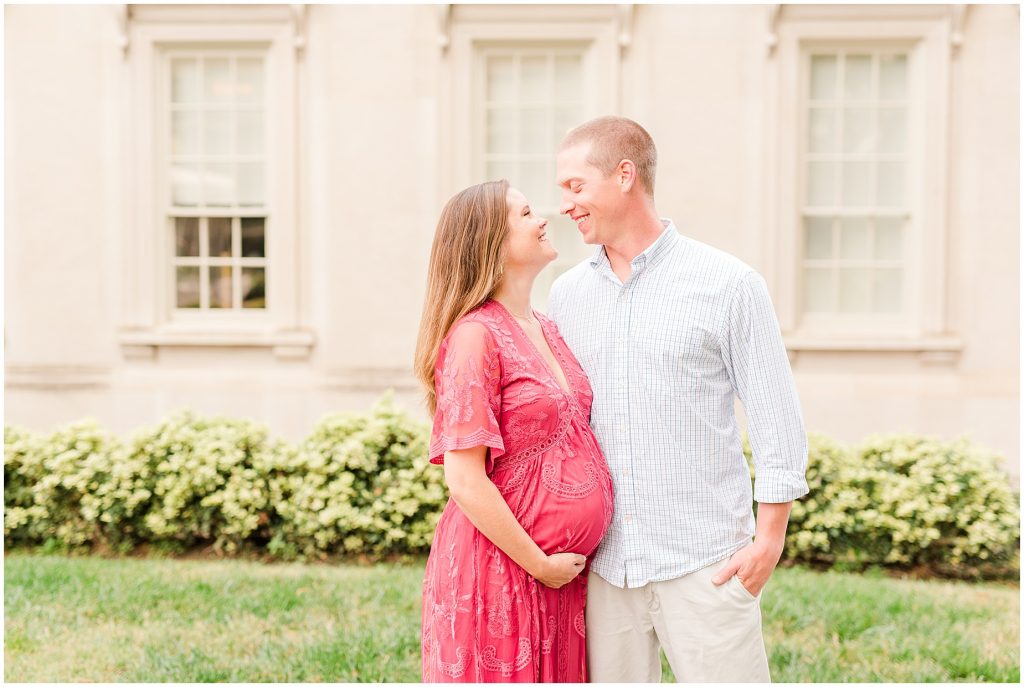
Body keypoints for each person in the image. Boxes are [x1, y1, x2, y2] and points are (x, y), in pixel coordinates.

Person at [547, 116, 809, 682]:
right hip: (605, 569)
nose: (564, 204)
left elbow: (775, 416)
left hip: (707, 561)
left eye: (574, 186)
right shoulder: (566, 295)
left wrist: (770, 539)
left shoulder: (728, 284)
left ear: (624, 175)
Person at [414, 180, 614, 682]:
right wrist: (539, 564)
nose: (543, 219)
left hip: (559, 578)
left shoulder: (546, 327)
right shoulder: (475, 336)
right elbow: (464, 480)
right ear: (491, 242)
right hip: (501, 570)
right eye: (525, 214)